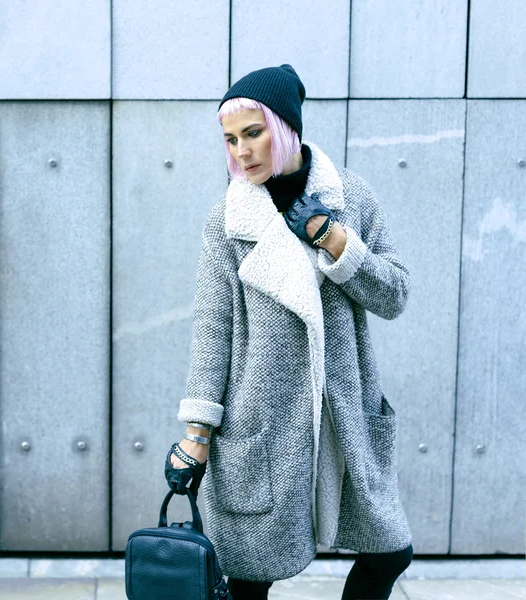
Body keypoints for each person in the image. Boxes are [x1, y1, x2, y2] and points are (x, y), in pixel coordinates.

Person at [164, 64, 414, 600]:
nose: (242, 151)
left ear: (285, 127)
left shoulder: (349, 196)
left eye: (253, 133)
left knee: (390, 553)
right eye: (230, 140)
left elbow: (395, 294)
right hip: (264, 425)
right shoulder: (228, 220)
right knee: (252, 580)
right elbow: (214, 333)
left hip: (344, 414)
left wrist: (335, 240)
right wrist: (196, 434)